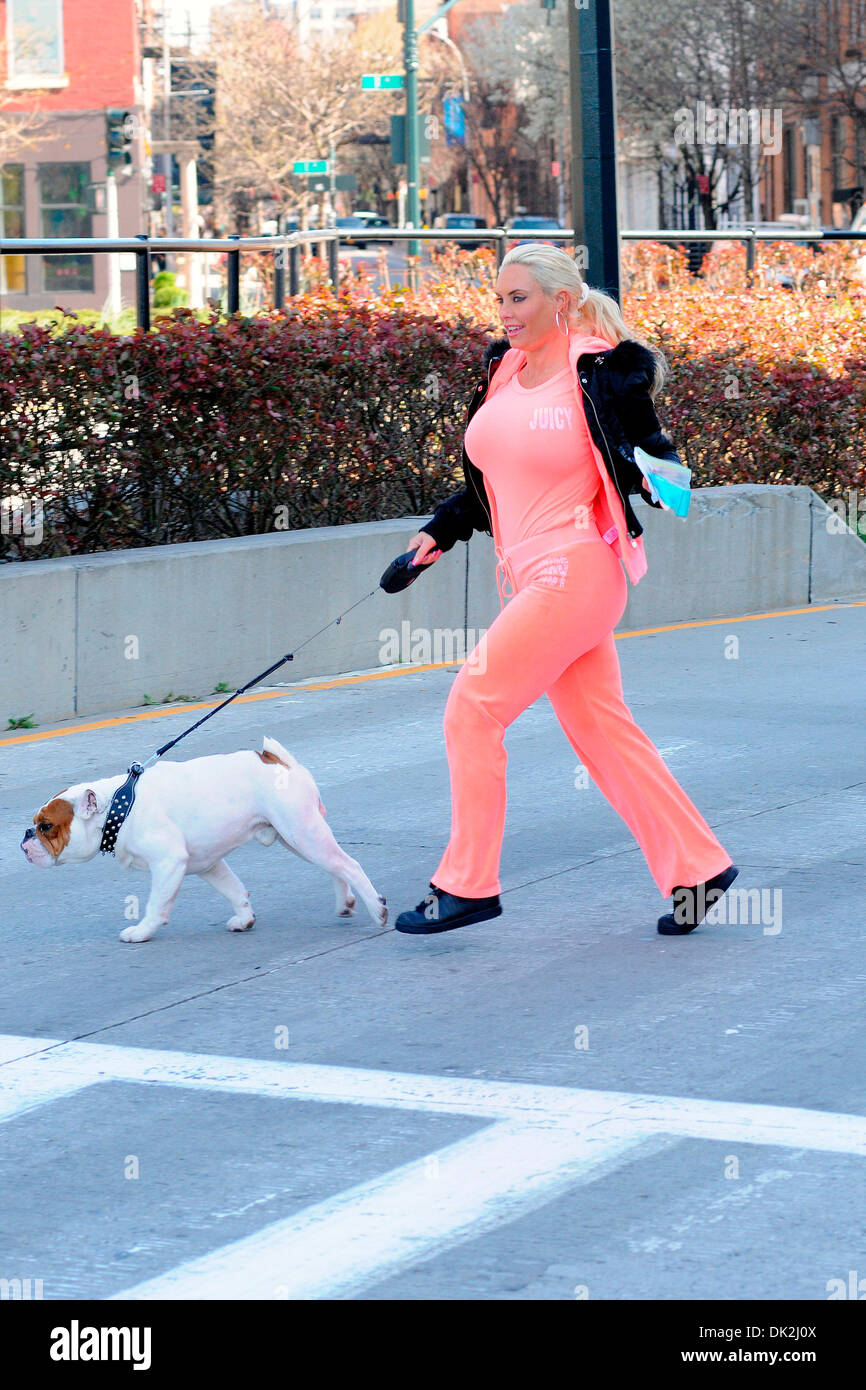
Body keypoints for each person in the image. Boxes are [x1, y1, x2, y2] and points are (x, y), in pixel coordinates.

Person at [394, 243, 739, 937]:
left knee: (473, 708)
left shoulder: (603, 376)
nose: (504, 313)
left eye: (517, 298)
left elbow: (656, 457)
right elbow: (492, 481)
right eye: (498, 299)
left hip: (576, 568)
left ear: (560, 301)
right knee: (601, 730)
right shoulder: (505, 369)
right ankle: (698, 868)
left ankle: (468, 884)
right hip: (527, 572)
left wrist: (657, 474)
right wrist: (441, 532)